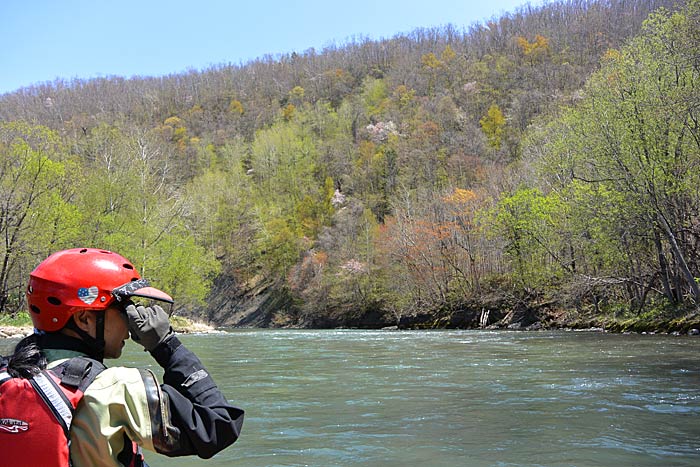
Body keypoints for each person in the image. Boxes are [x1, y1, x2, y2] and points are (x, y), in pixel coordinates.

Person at [0, 247, 244, 466]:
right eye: (123, 308)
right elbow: (220, 425)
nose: (130, 323)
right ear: (84, 318)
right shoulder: (116, 388)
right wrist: (167, 346)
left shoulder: (6, 374)